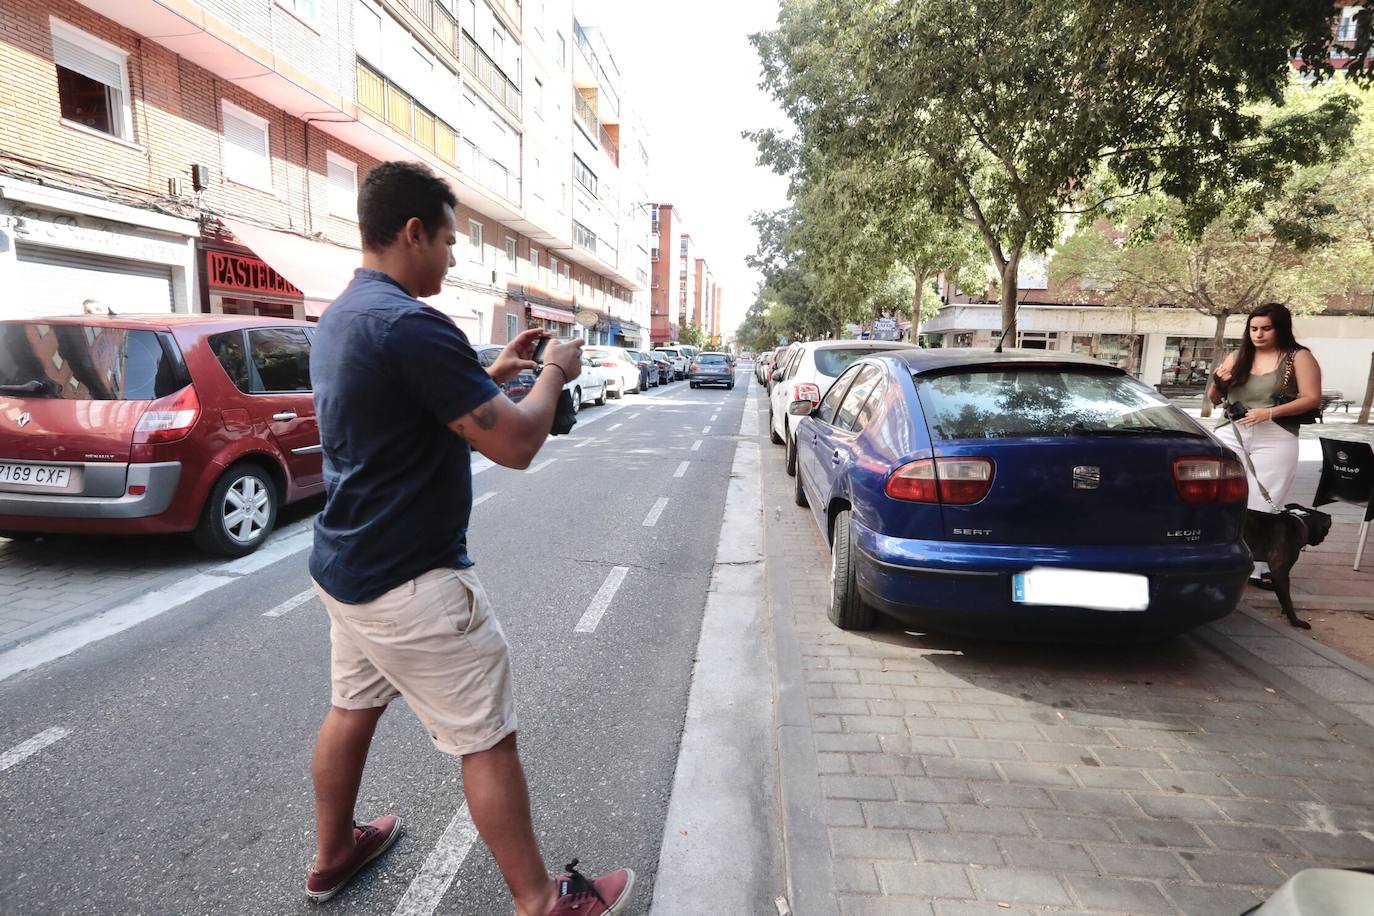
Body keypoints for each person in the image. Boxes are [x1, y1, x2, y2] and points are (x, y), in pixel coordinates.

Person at [304, 161, 635, 916]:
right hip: (413, 580)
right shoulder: (411, 324)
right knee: (488, 740)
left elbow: (410, 412)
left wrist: (494, 371)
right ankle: (542, 902)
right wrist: (553, 372)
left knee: (351, 708)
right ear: (413, 231)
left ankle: (331, 856)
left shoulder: (345, 315)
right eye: (450, 242)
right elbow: (517, 444)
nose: (455, 258)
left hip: (347, 564)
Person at [1208, 302, 1323, 589]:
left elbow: (1311, 398)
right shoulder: (1238, 356)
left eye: (1266, 328)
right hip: (1232, 432)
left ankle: (1258, 568)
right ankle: (1218, 556)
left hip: (1275, 434)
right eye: (1254, 328)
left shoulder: (1298, 357)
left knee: (1264, 501)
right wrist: (1219, 384)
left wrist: (1269, 412)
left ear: (1280, 328)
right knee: (1221, 496)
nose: (1258, 334)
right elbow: (1213, 399)